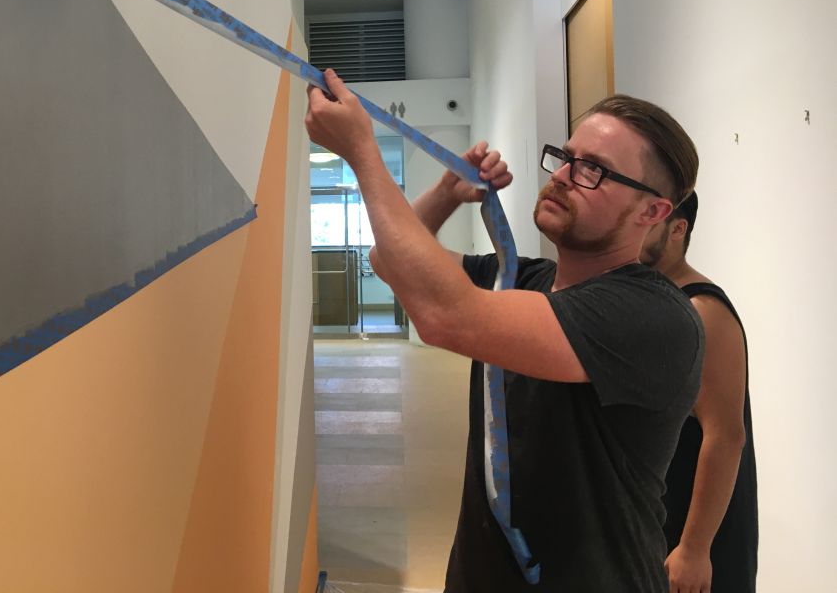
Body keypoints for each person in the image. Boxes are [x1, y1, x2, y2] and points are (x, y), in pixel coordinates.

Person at [305, 71, 703, 592]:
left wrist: (362, 152)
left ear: (653, 212)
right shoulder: (523, 278)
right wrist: (448, 191)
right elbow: (390, 263)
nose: (562, 176)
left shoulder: (652, 317)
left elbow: (444, 314)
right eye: (566, 157)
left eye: (594, 171)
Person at [640, 192, 758, 592]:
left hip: (690, 535)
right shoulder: (650, 297)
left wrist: (694, 548)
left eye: (647, 220)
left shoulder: (703, 309)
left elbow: (726, 436)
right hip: (654, 522)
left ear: (677, 229)